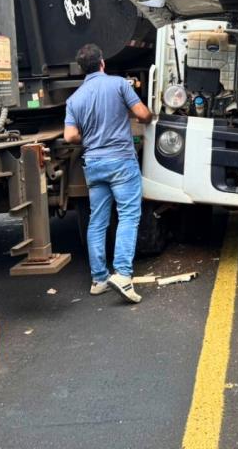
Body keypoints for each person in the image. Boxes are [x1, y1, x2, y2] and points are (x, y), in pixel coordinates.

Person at [63, 43, 152, 302]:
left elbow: (70, 135)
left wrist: (89, 136)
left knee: (97, 220)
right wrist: (146, 117)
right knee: (128, 216)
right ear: (102, 62)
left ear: (82, 69)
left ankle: (99, 279)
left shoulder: (74, 99)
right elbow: (142, 114)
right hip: (121, 161)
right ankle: (123, 275)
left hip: (94, 163)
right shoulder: (119, 85)